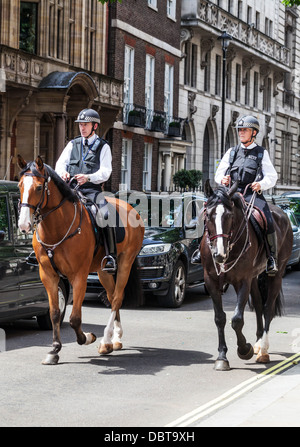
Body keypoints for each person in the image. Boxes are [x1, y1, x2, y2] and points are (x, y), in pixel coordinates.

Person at [55, 108, 117, 274]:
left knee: (104, 215)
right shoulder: (72, 144)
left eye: (85, 125)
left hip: (91, 189)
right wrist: (63, 172)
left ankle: (110, 256)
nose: (82, 128)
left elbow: (106, 171)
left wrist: (88, 177)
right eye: (80, 125)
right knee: (50, 207)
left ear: (94, 126)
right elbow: (60, 164)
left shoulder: (103, 147)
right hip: (70, 188)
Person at [215, 115, 278, 275]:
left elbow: (272, 176)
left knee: (266, 217)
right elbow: (218, 173)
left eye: (245, 130)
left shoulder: (260, 153)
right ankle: (203, 251)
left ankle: (271, 258)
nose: (241, 133)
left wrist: (261, 184)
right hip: (231, 194)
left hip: (251, 195)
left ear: (254, 133)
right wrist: (222, 178)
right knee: (212, 213)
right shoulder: (231, 152)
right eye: (240, 130)